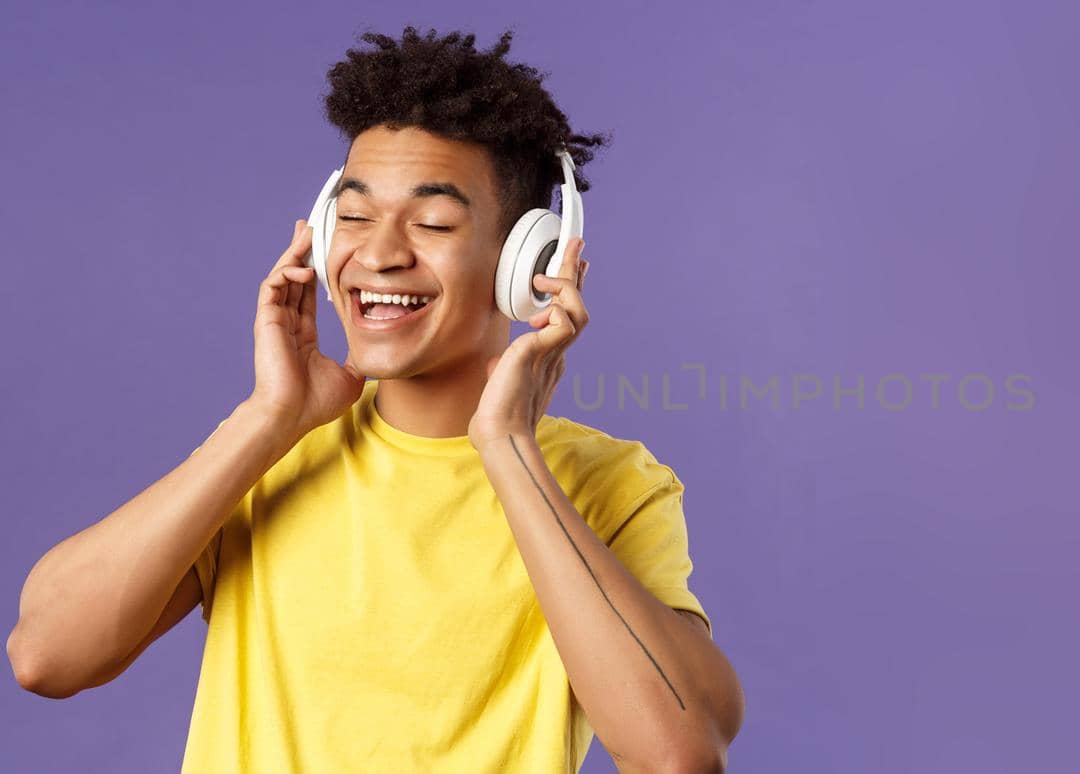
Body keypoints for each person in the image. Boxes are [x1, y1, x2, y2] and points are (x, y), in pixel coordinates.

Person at [6, 26, 744, 773]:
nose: (380, 253)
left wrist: (511, 451)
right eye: (354, 216)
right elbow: (44, 656)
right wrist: (268, 419)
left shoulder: (614, 483)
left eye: (431, 222)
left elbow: (680, 751)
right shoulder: (270, 454)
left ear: (528, 261)